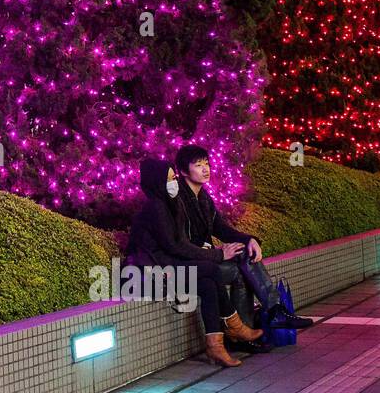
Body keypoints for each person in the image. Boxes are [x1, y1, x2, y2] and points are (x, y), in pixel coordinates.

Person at [174, 144, 313, 352]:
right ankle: (264, 318)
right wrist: (219, 253)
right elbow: (180, 244)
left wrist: (249, 239)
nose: (206, 169)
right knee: (241, 267)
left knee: (244, 255)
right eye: (198, 165)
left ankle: (258, 323)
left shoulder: (203, 197)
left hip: (207, 261)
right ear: (184, 171)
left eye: (207, 164)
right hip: (191, 267)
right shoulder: (177, 200)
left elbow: (220, 228)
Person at [125, 158, 261, 367]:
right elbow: (174, 246)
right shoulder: (155, 207)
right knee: (211, 269)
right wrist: (217, 255)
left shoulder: (169, 204)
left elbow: (180, 244)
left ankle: (215, 346)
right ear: (157, 181)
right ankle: (233, 326)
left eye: (174, 177)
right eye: (170, 178)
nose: (174, 182)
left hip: (167, 268)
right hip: (147, 274)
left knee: (207, 285)